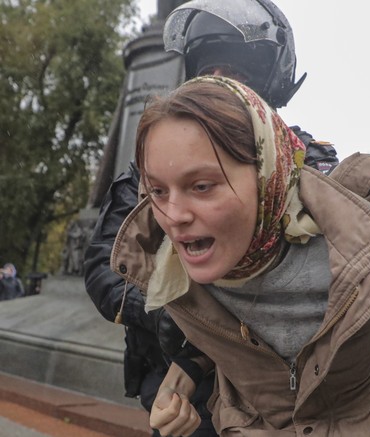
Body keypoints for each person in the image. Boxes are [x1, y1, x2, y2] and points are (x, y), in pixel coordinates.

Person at [109, 75, 370, 436]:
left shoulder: (366, 219)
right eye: (158, 191)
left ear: (267, 173)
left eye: (201, 186)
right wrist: (188, 369)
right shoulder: (169, 264)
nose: (173, 216)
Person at [83, 1, 337, 436]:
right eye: (211, 72)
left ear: (268, 83)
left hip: (279, 383)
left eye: (235, 75)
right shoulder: (148, 170)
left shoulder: (307, 159)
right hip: (177, 385)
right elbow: (104, 265)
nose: (220, 84)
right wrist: (170, 319)